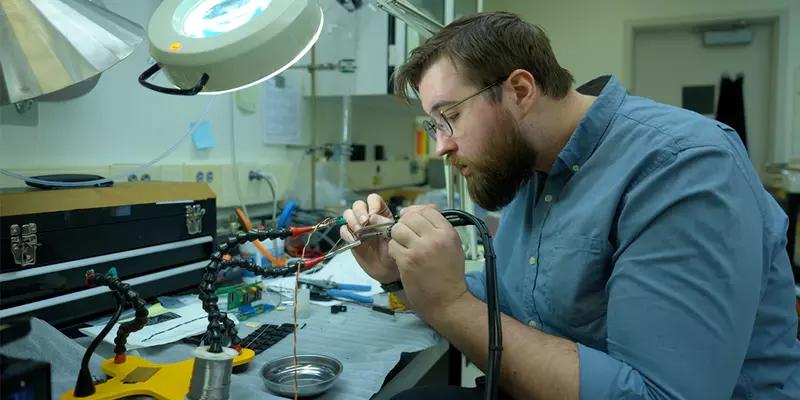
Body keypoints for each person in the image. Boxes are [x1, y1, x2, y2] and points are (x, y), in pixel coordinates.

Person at [340, 12, 800, 400]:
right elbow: (521, 299)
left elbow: (659, 394)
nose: (441, 146)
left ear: (520, 91)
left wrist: (450, 305)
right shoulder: (526, 166)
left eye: (451, 117)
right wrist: (400, 272)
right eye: (433, 124)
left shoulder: (683, 166)